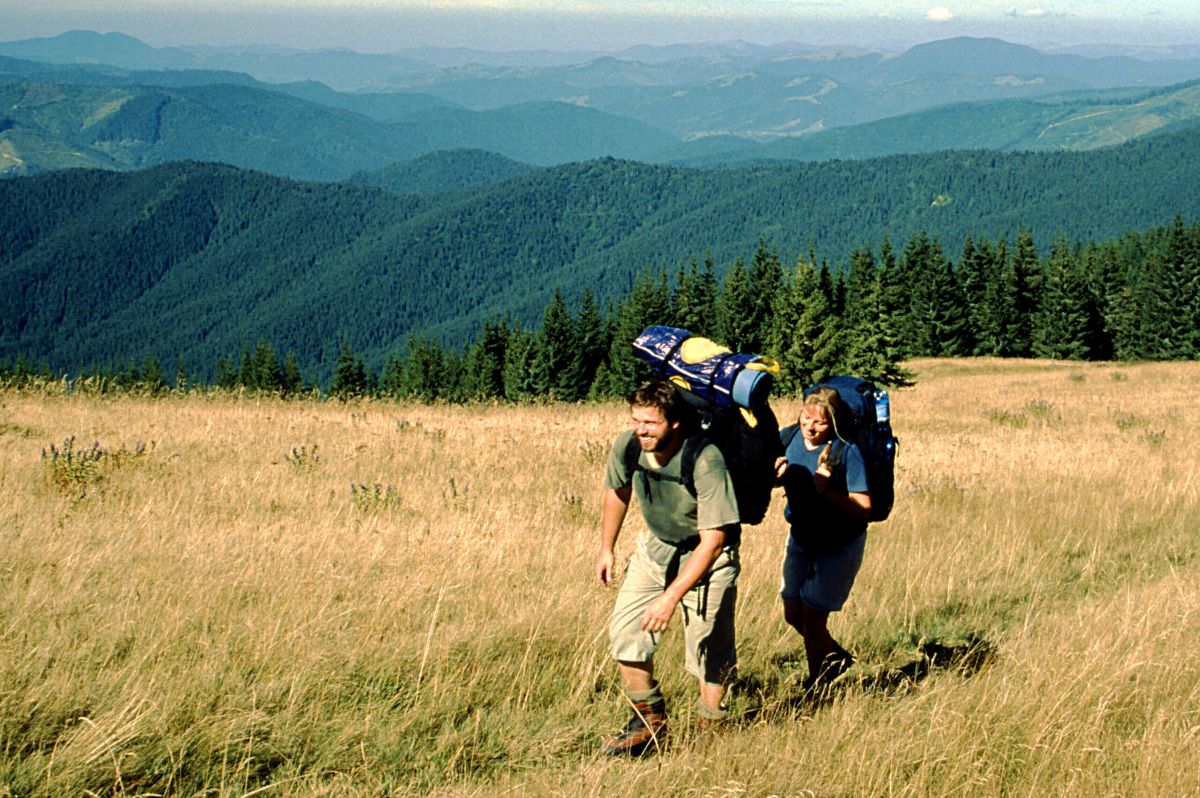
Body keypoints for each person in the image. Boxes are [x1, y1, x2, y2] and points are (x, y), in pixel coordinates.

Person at [596, 379, 741, 756]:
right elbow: (617, 491)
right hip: (657, 548)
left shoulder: (705, 458)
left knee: (710, 650)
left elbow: (714, 540)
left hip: (707, 557)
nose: (641, 430)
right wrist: (606, 548)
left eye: (651, 423)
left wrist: (670, 596)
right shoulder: (628, 446)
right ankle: (648, 724)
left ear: (675, 422)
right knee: (626, 632)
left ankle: (712, 731)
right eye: (636, 420)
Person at [774, 386, 872, 692]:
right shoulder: (788, 438)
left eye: (820, 422)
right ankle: (835, 658)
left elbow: (865, 508)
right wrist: (773, 477)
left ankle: (818, 686)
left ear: (834, 423)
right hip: (801, 538)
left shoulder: (847, 451)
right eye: (806, 417)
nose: (810, 426)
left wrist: (827, 492)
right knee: (793, 614)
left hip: (837, 544)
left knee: (814, 620)